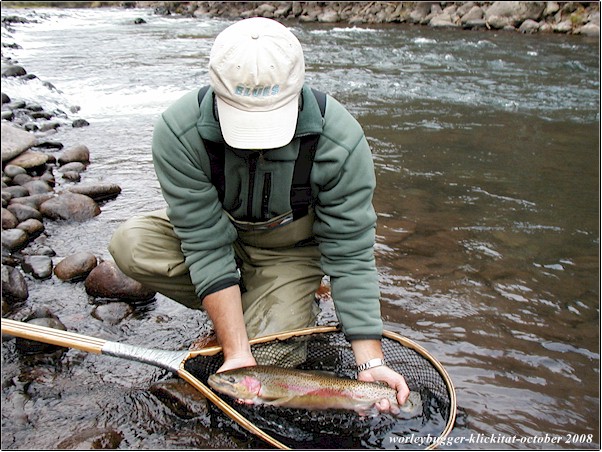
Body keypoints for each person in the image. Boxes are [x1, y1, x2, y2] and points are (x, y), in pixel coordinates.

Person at [109, 17, 409, 411]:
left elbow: (350, 253)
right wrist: (236, 352)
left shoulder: (339, 140)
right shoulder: (179, 133)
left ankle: (288, 295)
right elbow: (204, 243)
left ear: (298, 91)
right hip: (224, 240)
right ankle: (248, 307)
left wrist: (370, 361)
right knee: (131, 244)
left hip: (290, 255)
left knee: (271, 359)